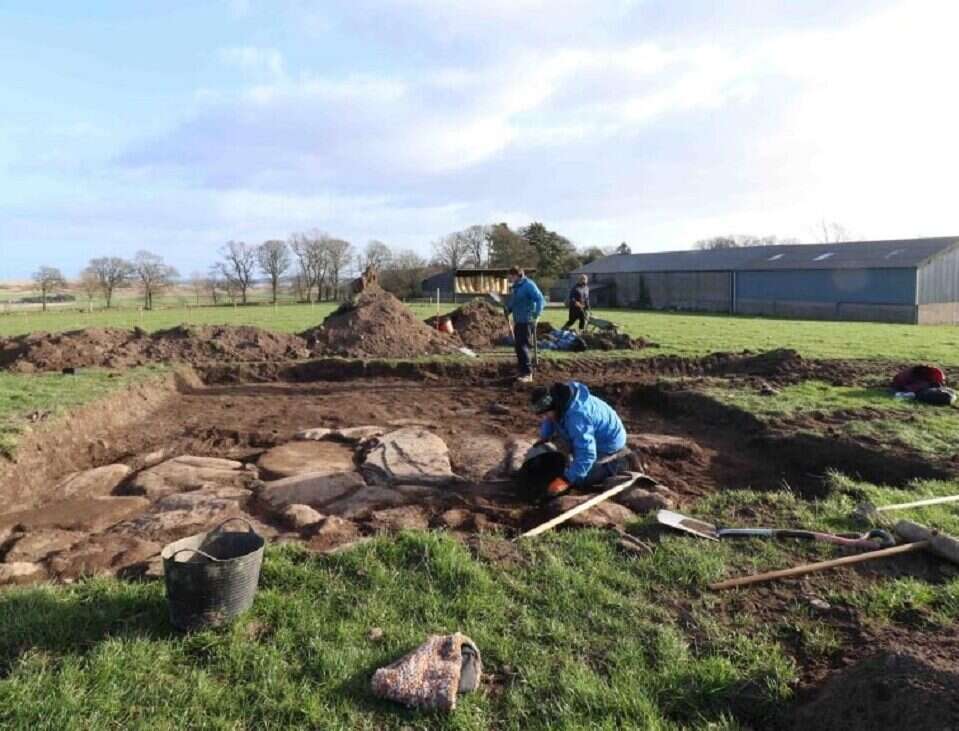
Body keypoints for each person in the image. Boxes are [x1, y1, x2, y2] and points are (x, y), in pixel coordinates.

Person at [530, 381, 628, 498]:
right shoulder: (560, 399)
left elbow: (587, 455)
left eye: (546, 414)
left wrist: (566, 480)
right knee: (557, 450)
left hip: (607, 444)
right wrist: (544, 437)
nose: (544, 418)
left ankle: (617, 463)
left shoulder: (577, 418)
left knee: (580, 480)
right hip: (590, 433)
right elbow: (549, 420)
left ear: (555, 406)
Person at [505, 266, 545, 383]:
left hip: (527, 321)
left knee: (523, 347)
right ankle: (522, 371)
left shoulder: (529, 285)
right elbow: (514, 302)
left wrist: (536, 316)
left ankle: (528, 373)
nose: (509, 279)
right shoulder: (516, 287)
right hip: (518, 321)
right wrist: (508, 309)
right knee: (518, 347)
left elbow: (540, 299)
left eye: (510, 276)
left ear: (517, 275)